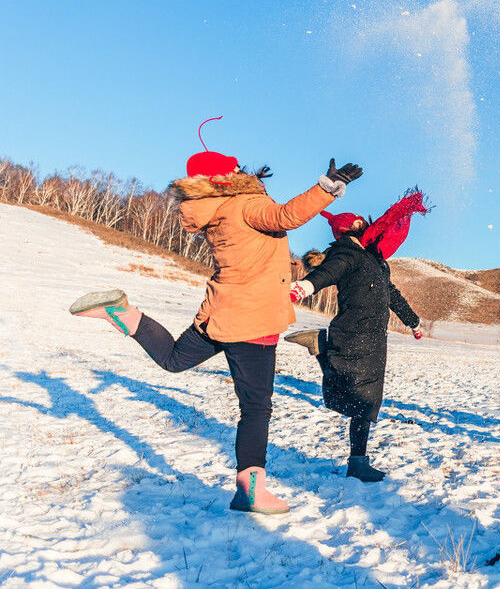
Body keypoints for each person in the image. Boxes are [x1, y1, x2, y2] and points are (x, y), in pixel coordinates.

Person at [70, 117, 363, 514]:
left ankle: (122, 313)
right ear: (226, 177)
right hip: (253, 321)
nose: (243, 170)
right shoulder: (246, 203)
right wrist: (326, 189)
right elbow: (285, 217)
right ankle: (251, 491)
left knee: (174, 359)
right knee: (256, 407)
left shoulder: (212, 212)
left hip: (221, 312)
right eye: (236, 168)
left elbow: (262, 247)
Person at [285, 190, 428, 482]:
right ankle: (357, 462)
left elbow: (393, 294)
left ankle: (320, 347)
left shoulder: (376, 259)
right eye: (359, 225)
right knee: (362, 396)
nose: (365, 227)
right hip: (354, 331)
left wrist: (412, 322)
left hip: (374, 337)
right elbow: (329, 271)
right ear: (347, 231)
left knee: (364, 397)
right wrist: (306, 287)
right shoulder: (346, 253)